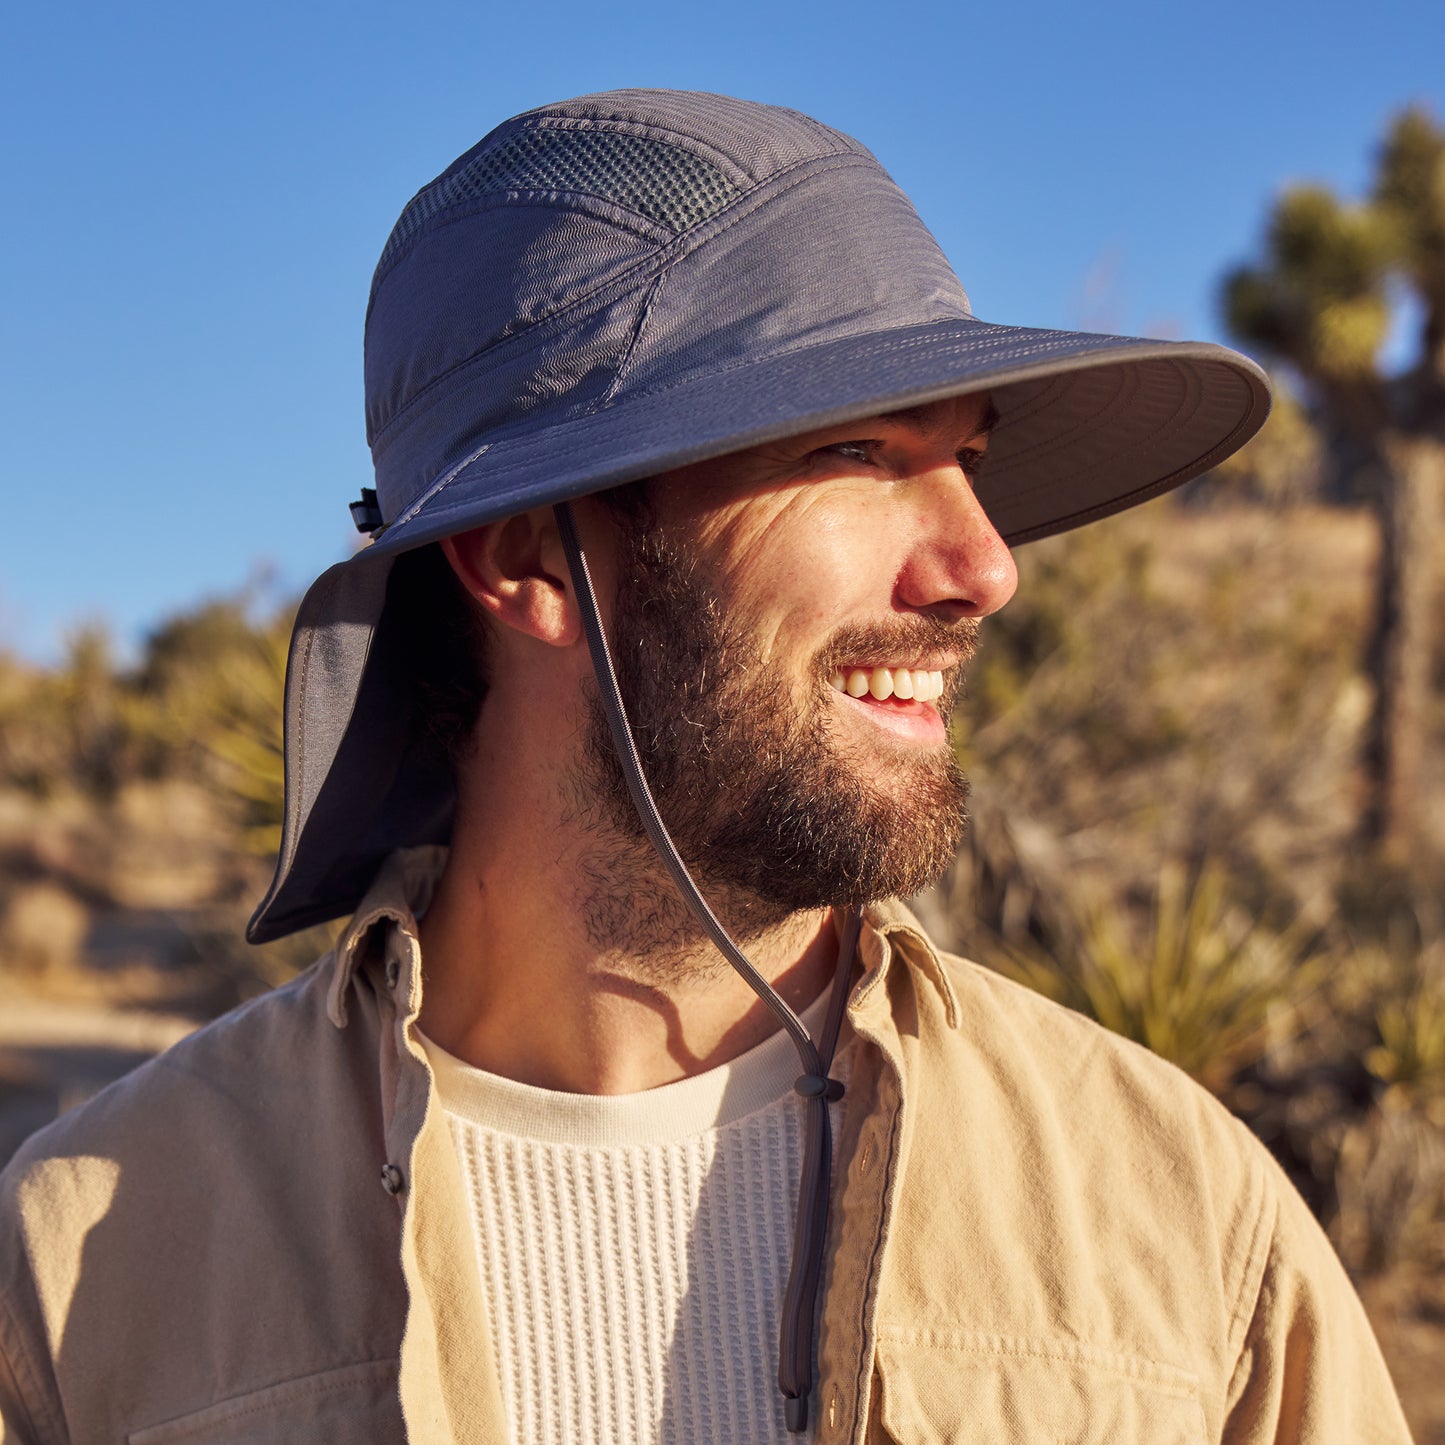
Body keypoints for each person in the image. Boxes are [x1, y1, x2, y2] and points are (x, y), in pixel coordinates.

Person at [0, 90, 1410, 1445]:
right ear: (526, 556)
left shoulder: (1172, 1211)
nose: (984, 567)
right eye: (854, 448)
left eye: (966, 458)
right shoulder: (90, 1257)